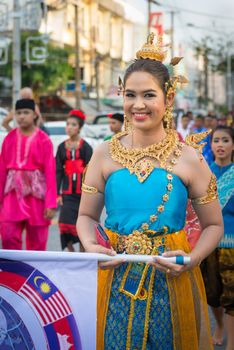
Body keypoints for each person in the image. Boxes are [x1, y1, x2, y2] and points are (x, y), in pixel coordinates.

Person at [77, 33, 223, 350]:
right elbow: (86, 217)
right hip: (115, 276)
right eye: (130, 95)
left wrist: (193, 258)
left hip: (172, 278)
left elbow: (214, 225)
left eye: (149, 95)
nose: (138, 105)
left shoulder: (189, 158)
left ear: (168, 99)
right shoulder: (103, 153)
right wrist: (90, 244)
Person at [0, 99, 56, 250]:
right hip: (12, 196)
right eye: (18, 113)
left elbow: (50, 172)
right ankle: (12, 273)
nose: (21, 116)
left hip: (37, 197)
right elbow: (2, 172)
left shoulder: (44, 140)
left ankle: (34, 273)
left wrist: (50, 203)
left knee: (37, 242)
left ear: (34, 115)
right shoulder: (9, 138)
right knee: (8, 237)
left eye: (26, 112)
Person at [200, 125, 234, 349]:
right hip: (208, 242)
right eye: (216, 141)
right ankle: (219, 324)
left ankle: (231, 342)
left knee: (231, 295)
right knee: (211, 292)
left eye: (225, 140)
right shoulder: (204, 173)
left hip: (232, 243)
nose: (220, 145)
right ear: (210, 145)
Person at [56, 109, 93, 252]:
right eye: (68, 124)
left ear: (80, 127)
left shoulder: (85, 147)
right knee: (64, 223)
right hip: (67, 193)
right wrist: (57, 194)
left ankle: (83, 255)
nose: (69, 127)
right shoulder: (61, 147)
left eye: (73, 124)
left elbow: (91, 170)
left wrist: (90, 192)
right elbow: (58, 171)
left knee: (83, 225)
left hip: (83, 194)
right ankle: (72, 254)